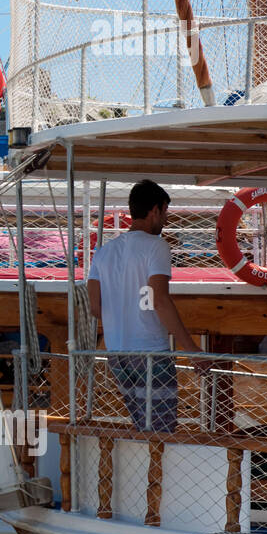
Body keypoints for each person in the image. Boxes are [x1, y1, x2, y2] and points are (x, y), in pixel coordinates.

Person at [87, 180, 202, 433]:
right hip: (150, 353)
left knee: (141, 427)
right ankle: (157, 473)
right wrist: (192, 350)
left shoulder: (103, 252)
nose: (166, 220)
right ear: (155, 210)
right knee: (161, 431)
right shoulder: (157, 246)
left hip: (117, 353)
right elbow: (159, 299)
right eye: (165, 212)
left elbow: (95, 307)